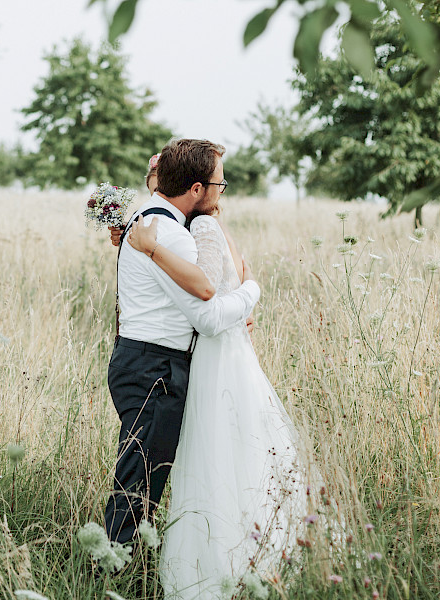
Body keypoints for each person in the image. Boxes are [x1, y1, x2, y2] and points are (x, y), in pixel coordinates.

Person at [127, 171, 312, 596]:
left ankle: (218, 563)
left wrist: (250, 292)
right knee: (240, 449)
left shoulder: (202, 228)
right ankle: (256, 553)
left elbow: (208, 302)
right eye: (220, 182)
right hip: (226, 356)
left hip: (215, 358)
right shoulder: (197, 226)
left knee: (215, 456)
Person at [104, 139, 262, 552]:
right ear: (195, 188)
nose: (220, 192)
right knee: (138, 482)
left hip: (144, 361)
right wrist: (250, 291)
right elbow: (206, 317)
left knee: (145, 477)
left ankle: (130, 561)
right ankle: (112, 568)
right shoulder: (170, 236)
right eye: (219, 184)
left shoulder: (150, 220)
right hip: (155, 368)